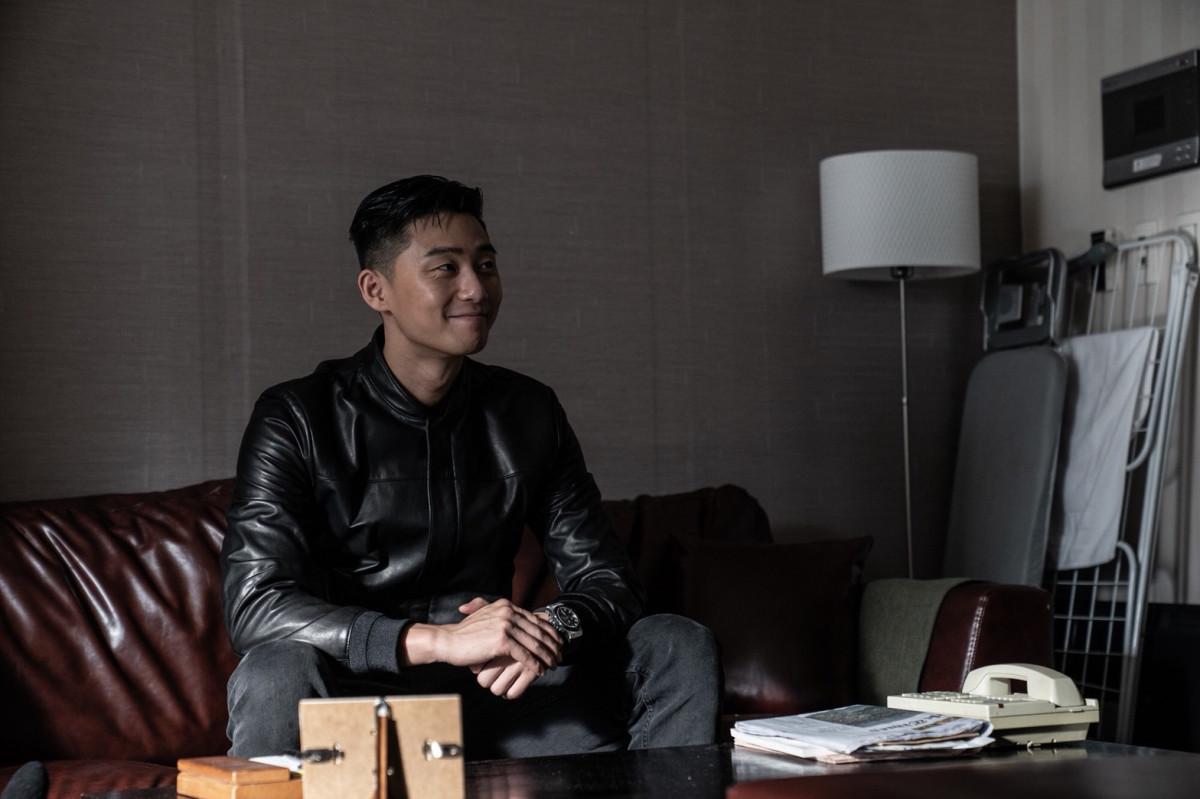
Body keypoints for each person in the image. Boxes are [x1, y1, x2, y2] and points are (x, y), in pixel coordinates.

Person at [220, 175, 720, 760]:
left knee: (676, 643)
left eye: (485, 265)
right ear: (376, 289)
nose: (476, 288)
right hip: (359, 709)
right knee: (275, 669)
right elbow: (256, 606)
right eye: (445, 268)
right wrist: (437, 641)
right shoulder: (297, 417)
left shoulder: (529, 412)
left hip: (500, 699)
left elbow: (609, 582)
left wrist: (548, 627)